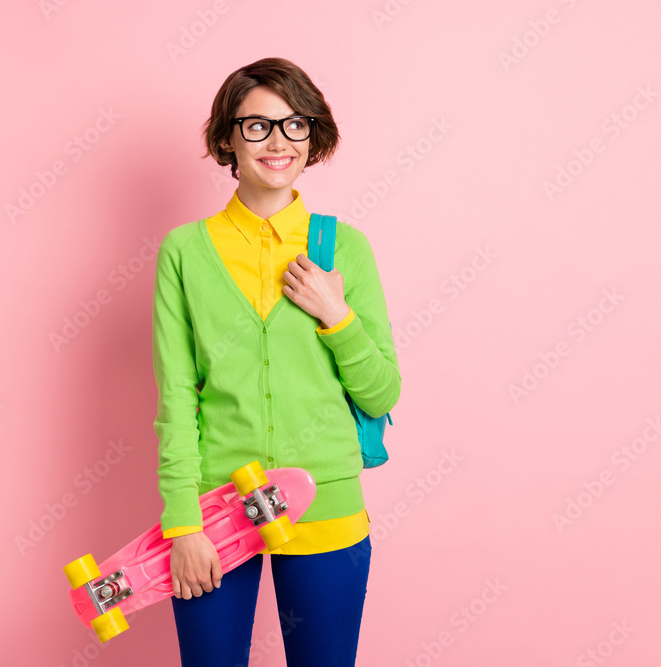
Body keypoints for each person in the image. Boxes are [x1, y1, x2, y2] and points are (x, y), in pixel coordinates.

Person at [152, 56, 401, 667]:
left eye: (295, 124)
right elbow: (177, 397)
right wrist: (183, 524)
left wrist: (336, 316)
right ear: (227, 138)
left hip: (327, 504)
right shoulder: (185, 251)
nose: (278, 141)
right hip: (217, 508)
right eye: (257, 125)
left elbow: (381, 394)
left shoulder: (343, 248)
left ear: (314, 136)